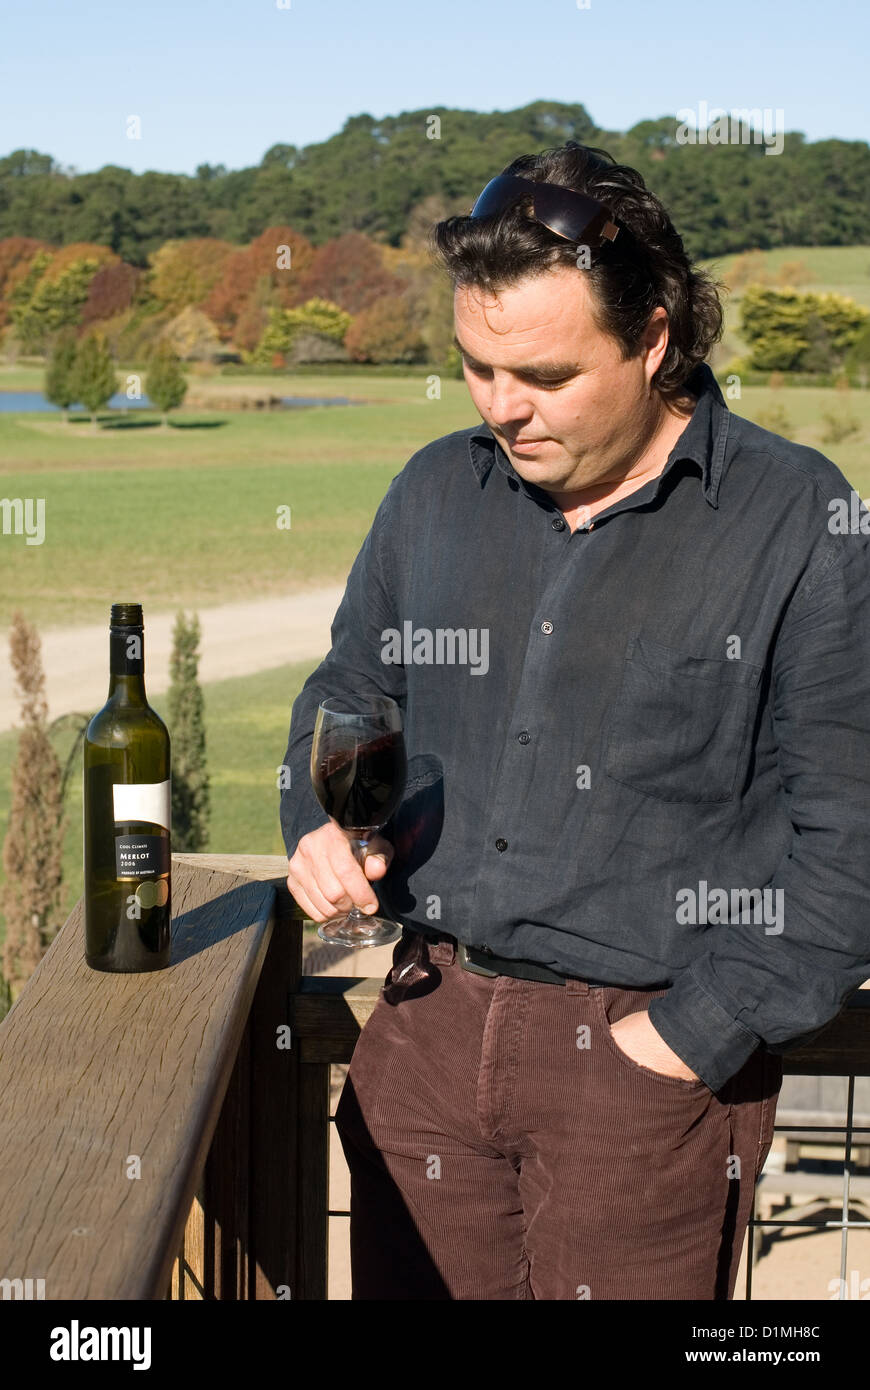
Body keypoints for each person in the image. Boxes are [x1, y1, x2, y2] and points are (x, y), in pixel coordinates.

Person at [279, 142, 870, 1300]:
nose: (503, 407)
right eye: (476, 367)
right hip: (424, 1031)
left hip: (647, 1079)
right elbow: (350, 694)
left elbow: (852, 835)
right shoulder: (434, 493)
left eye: (543, 374)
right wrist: (319, 821)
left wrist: (689, 1038)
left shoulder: (800, 518)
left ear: (654, 337)